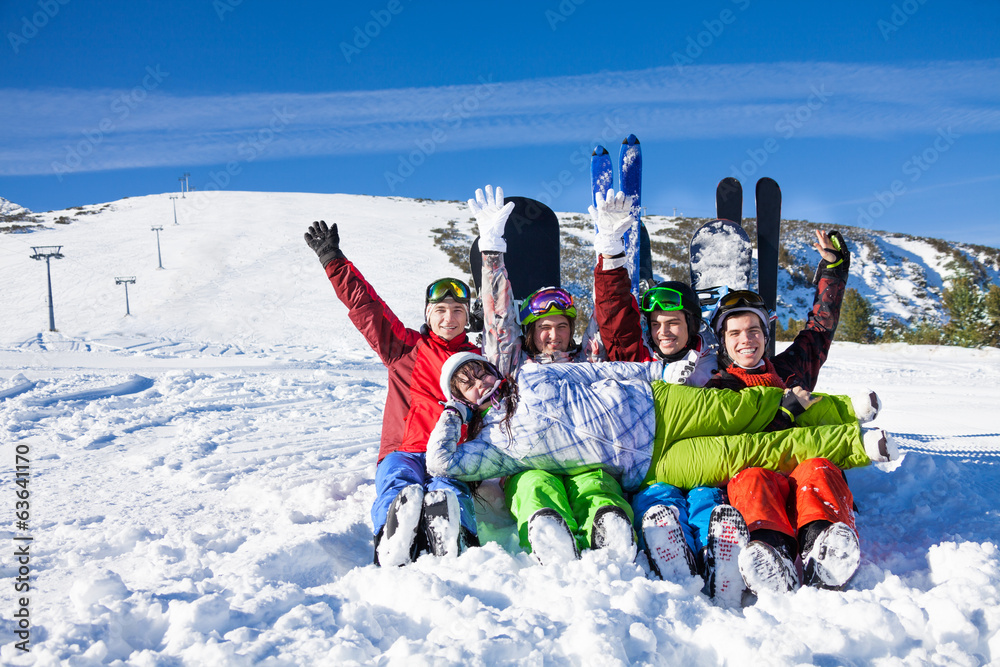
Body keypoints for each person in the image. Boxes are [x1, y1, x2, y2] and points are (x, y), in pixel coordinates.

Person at [426, 353, 892, 510]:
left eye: (478, 373)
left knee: (748, 407)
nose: (479, 383)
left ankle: (846, 407)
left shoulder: (532, 373)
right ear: (463, 399)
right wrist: (451, 415)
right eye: (465, 385)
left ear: (491, 368)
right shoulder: (495, 446)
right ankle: (855, 444)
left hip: (660, 406)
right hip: (647, 465)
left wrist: (659, 372)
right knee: (752, 451)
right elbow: (441, 463)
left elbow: (602, 370)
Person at [703, 231, 882, 594]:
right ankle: (774, 555)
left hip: (803, 479)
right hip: (759, 485)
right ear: (723, 342)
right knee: (750, 476)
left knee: (818, 465)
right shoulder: (719, 389)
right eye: (735, 333)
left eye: (753, 329)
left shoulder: (790, 369)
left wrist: (833, 270)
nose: (746, 339)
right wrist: (783, 415)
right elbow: (733, 449)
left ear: (765, 334)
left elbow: (819, 329)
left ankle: (824, 550)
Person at [590, 188, 745, 602]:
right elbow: (614, 312)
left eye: (674, 322)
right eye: (656, 324)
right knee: (657, 499)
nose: (664, 332)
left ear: (691, 323)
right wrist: (610, 250)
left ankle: (719, 549)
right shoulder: (637, 357)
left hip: (702, 464)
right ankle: (669, 544)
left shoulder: (716, 362)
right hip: (653, 466)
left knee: (708, 497)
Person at [469, 185, 634, 565]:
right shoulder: (514, 364)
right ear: (529, 332)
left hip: (587, 457)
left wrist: (610, 250)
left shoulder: (587, 360)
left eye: (562, 326)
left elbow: (607, 316)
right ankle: (547, 530)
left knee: (596, 486)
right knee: (533, 486)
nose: (554, 334)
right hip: (532, 461)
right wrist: (492, 249)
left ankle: (608, 524)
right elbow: (498, 321)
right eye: (544, 327)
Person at [304, 219, 480, 567]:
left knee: (451, 489)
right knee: (398, 483)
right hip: (404, 449)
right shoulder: (404, 348)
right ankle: (392, 535)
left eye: (458, 311)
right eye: (441, 311)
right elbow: (366, 308)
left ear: (467, 318)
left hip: (452, 455)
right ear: (428, 316)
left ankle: (452, 533)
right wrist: (332, 259)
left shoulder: (478, 360)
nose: (449, 318)